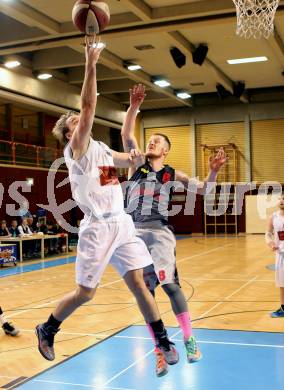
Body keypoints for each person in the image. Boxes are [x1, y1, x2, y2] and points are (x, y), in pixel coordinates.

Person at [35, 37, 178, 375]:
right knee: (86, 293)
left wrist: (134, 148)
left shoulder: (98, 147)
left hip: (121, 223)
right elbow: (86, 109)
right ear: (69, 135)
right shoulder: (77, 150)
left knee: (139, 284)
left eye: (78, 123)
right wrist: (91, 62)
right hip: (97, 228)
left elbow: (123, 157)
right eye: (73, 125)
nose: (80, 124)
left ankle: (161, 338)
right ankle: (49, 327)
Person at [121, 84, 228, 373]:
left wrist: (214, 171)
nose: (151, 143)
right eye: (151, 140)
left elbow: (205, 191)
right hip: (133, 233)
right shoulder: (136, 166)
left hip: (158, 232)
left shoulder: (172, 173)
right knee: (146, 294)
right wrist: (133, 106)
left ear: (166, 150)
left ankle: (190, 339)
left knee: (169, 285)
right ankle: (159, 349)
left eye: (157, 141)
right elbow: (127, 135)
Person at [265, 194, 284, 318]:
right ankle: (283, 308)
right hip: (280, 254)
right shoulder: (273, 217)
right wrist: (270, 242)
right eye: (281, 198)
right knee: (282, 282)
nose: (282, 201)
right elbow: (267, 233)